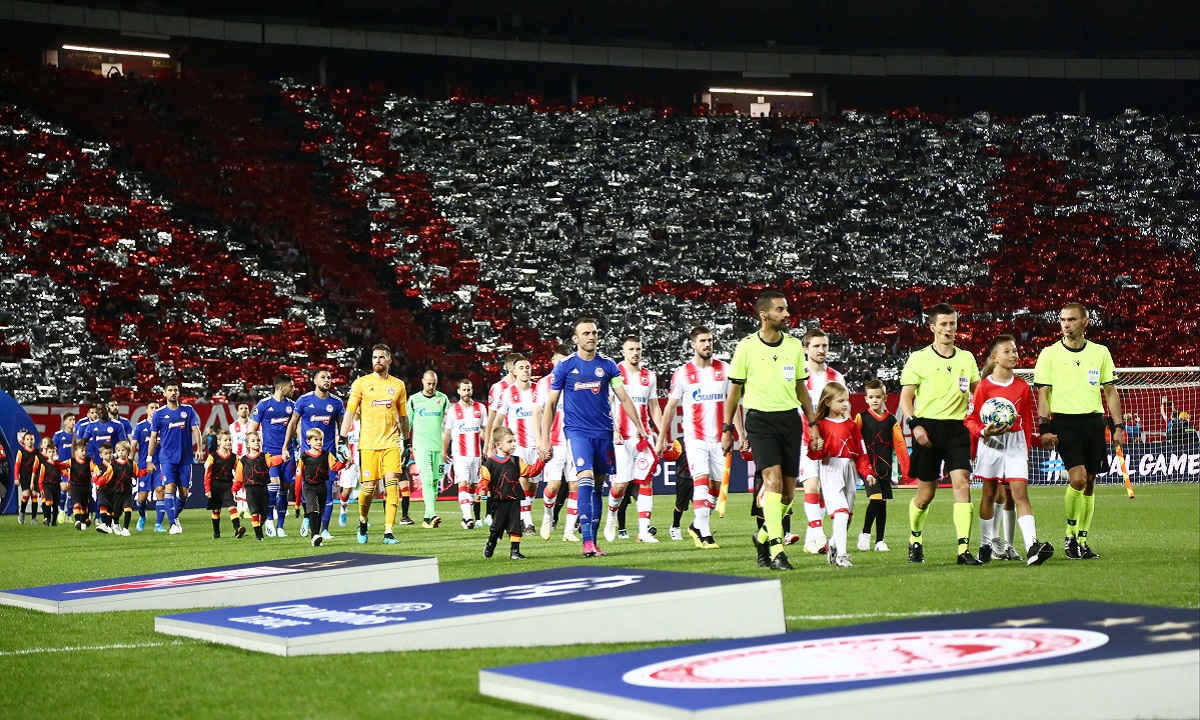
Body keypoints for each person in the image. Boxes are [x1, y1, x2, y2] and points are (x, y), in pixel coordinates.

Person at [723, 291, 822, 571]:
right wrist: (728, 429)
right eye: (780, 309)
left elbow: (801, 389)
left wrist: (813, 424)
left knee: (788, 495)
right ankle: (778, 551)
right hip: (760, 421)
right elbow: (734, 392)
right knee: (773, 482)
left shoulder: (793, 346)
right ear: (764, 314)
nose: (787, 314)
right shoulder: (746, 347)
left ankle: (762, 536)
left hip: (790, 421)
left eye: (786, 308)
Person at [538, 317, 647, 558]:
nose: (591, 337)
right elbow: (551, 404)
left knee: (598, 486)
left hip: (603, 433)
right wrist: (545, 439)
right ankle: (586, 541)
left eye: (594, 333)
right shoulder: (565, 366)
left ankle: (594, 541)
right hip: (577, 432)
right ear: (576, 338)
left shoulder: (608, 365)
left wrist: (639, 426)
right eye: (586, 333)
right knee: (584, 478)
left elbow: (624, 398)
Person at [1035, 302, 1125, 560]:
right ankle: (1070, 534)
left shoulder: (1100, 352)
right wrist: (1044, 427)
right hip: (1065, 423)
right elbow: (1043, 394)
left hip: (1094, 422)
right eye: (1063, 320)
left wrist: (1118, 426)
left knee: (1091, 482)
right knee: (1078, 479)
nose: (1066, 324)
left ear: (1085, 322)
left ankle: (1083, 540)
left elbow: (1110, 392)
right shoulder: (1049, 354)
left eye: (1072, 319)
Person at [899, 303, 982, 565]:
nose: (948, 328)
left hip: (957, 429)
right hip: (928, 429)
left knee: (962, 485)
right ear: (933, 327)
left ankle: (963, 550)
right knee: (926, 496)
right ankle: (915, 538)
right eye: (943, 324)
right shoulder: (919, 358)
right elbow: (905, 398)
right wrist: (915, 425)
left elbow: (979, 393)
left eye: (952, 323)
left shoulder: (966, 358)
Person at [966, 335, 1054, 566]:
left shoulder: (1023, 387)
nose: (1013, 355)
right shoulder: (984, 387)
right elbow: (970, 419)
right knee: (989, 494)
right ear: (995, 357)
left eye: (1015, 351)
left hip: (1015, 444)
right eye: (1007, 351)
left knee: (1020, 494)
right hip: (991, 443)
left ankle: (1032, 547)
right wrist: (983, 432)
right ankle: (985, 544)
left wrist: (1034, 444)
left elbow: (1025, 423)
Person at [656, 326, 733, 549]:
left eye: (710, 340)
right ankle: (706, 535)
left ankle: (697, 525)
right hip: (695, 437)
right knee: (700, 483)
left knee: (715, 490)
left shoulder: (725, 369)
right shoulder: (682, 373)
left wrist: (736, 433)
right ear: (693, 344)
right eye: (702, 341)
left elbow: (733, 404)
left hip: (719, 438)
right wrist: (661, 439)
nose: (707, 344)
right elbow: (670, 408)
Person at [340, 343, 410, 546]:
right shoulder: (361, 384)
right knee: (368, 490)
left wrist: (406, 442)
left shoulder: (398, 385)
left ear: (389, 360)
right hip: (368, 444)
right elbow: (350, 413)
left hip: (391, 443)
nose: (377, 360)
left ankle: (388, 532)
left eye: (381, 357)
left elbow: (403, 416)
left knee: (392, 485)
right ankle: (362, 520)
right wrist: (342, 439)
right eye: (374, 357)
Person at [807, 382, 876, 567]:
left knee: (847, 517)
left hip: (849, 470)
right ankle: (842, 556)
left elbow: (860, 453)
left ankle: (833, 544)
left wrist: (867, 472)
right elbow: (814, 454)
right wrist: (815, 448)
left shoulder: (851, 425)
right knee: (841, 512)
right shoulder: (820, 425)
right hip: (831, 470)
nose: (845, 404)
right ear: (827, 402)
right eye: (841, 401)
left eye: (846, 400)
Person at [606, 336, 665, 544]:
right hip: (621, 438)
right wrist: (614, 430)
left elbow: (654, 407)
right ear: (623, 352)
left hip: (644, 438)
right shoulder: (614, 373)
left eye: (638, 349)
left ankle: (643, 531)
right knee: (621, 485)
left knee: (646, 482)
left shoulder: (649, 376)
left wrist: (662, 435)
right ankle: (611, 515)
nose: (635, 353)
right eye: (631, 349)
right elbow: (607, 405)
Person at [799, 328, 845, 554]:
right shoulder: (798, 376)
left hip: (830, 444)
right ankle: (819, 536)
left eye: (824, 345)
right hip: (804, 441)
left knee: (826, 493)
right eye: (816, 346)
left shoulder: (836, 378)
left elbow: (844, 409)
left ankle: (811, 541)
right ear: (805, 349)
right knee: (812, 486)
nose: (821, 350)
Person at [285, 368, 346, 539]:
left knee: (328, 491)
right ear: (315, 380)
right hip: (308, 455)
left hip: (328, 455)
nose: (327, 380)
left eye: (329, 377)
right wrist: (285, 446)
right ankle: (308, 516)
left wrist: (344, 448)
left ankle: (324, 529)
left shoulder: (336, 402)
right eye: (323, 377)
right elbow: (292, 423)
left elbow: (342, 427)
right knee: (308, 490)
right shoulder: (303, 400)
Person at [856, 379, 910, 552]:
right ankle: (865, 533)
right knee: (876, 499)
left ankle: (880, 541)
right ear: (866, 399)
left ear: (885, 398)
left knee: (882, 503)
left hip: (885, 468)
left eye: (878, 397)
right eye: (871, 397)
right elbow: (855, 441)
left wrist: (906, 469)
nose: (875, 400)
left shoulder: (891, 420)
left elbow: (900, 444)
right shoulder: (861, 418)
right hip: (868, 469)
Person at [145, 382, 204, 535]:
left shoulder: (188, 410)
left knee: (184, 493)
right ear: (164, 394)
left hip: (185, 458)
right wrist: (149, 459)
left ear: (179, 393)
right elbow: (153, 437)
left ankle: (174, 517)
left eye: (175, 390)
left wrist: (199, 448)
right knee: (169, 488)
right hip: (166, 458)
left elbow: (196, 430)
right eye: (170, 390)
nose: (172, 392)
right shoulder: (159, 414)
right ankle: (172, 524)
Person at [535, 345, 580, 542]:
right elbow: (536, 413)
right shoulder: (544, 383)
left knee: (575, 486)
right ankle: (547, 516)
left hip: (574, 441)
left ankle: (568, 531)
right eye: (559, 360)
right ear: (552, 361)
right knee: (553, 486)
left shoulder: (576, 381)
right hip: (554, 442)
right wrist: (541, 441)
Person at [495, 355, 543, 534]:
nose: (525, 370)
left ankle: (523, 514)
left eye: (527, 367)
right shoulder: (507, 393)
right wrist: (495, 443)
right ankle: (527, 522)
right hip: (518, 446)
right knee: (523, 480)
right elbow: (498, 419)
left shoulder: (539, 390)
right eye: (521, 368)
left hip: (537, 445)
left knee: (533, 485)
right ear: (514, 371)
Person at [480, 426, 544, 560]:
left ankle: (515, 551)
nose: (513, 444)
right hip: (498, 501)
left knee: (515, 526)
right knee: (497, 528)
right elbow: (484, 481)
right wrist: (481, 490)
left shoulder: (516, 461)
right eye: (509, 442)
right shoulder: (489, 464)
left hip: (514, 500)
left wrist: (541, 461)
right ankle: (491, 542)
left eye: (514, 441)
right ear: (498, 445)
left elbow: (530, 471)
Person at [247, 375, 297, 537]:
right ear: (281, 388)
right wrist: (253, 450)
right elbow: (252, 429)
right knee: (273, 486)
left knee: (284, 489)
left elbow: (296, 428)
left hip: (288, 453)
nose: (293, 389)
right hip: (270, 454)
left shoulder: (292, 406)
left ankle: (280, 526)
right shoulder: (264, 404)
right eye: (291, 386)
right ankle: (269, 519)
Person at [407, 369, 449, 529]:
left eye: (434, 384)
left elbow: (449, 422)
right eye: (429, 383)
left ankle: (426, 518)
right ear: (423, 382)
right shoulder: (414, 400)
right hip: (421, 447)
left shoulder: (442, 399)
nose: (431, 387)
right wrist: (405, 443)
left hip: (438, 447)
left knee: (435, 481)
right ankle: (432, 515)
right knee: (427, 479)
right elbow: (408, 423)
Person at [444, 378, 485, 529]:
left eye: (469, 389)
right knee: (463, 483)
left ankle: (465, 517)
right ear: (459, 391)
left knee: (473, 486)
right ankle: (468, 517)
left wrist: (488, 446)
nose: (467, 392)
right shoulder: (453, 410)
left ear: (472, 390)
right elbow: (447, 433)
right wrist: (443, 450)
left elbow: (484, 430)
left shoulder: (480, 408)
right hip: (460, 454)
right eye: (464, 390)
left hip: (476, 454)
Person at [295, 428, 346, 548]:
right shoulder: (304, 457)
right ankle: (314, 536)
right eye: (316, 439)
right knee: (314, 510)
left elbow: (334, 467)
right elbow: (299, 475)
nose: (319, 442)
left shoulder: (327, 455)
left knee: (319, 513)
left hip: (322, 487)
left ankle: (316, 536)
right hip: (309, 487)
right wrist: (297, 497)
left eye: (321, 439)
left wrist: (344, 461)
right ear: (308, 441)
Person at [232, 430, 283, 541]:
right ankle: (258, 535)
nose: (256, 442)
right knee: (254, 512)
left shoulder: (264, 457)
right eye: (253, 440)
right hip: (250, 489)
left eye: (258, 440)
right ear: (247, 444)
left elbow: (273, 461)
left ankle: (258, 527)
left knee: (264, 513)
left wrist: (282, 457)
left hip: (263, 488)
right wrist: (234, 490)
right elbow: (238, 477)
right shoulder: (243, 460)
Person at [203, 429, 244, 539]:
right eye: (225, 440)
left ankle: (237, 529)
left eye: (230, 440)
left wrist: (240, 485)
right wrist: (207, 489)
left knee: (232, 506)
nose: (228, 442)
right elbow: (207, 474)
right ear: (219, 442)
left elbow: (239, 472)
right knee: (216, 509)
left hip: (228, 485)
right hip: (215, 485)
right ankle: (216, 533)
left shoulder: (234, 457)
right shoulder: (212, 456)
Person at [131, 401, 160, 532]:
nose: (154, 410)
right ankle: (142, 516)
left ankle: (158, 524)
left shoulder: (163, 426)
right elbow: (133, 446)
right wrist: (130, 462)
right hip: (143, 465)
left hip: (160, 464)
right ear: (146, 410)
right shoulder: (139, 427)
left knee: (160, 491)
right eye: (152, 408)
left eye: (156, 408)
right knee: (142, 497)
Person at [484, 353, 522, 451]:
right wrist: (488, 445)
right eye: (519, 366)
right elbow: (491, 418)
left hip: (527, 440)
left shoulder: (528, 387)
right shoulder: (497, 388)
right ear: (510, 368)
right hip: (504, 443)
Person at [12, 431, 48, 524]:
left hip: (35, 476)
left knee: (34, 495)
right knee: (26, 494)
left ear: (34, 440)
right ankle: (22, 512)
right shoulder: (21, 452)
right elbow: (17, 465)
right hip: (24, 475)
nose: (29, 441)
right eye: (27, 439)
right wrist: (16, 477)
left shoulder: (37, 452)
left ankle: (34, 518)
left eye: (31, 439)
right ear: (24, 441)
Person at [229, 401, 253, 519]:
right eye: (241, 408)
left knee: (250, 483)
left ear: (249, 411)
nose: (244, 410)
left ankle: (248, 508)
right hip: (238, 460)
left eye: (246, 408)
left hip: (251, 459)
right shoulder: (232, 427)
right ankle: (240, 508)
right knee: (238, 483)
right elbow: (230, 443)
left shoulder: (254, 425)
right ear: (238, 412)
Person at [336, 417, 360, 526]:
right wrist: (345, 456)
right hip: (350, 461)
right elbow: (338, 440)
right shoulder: (347, 423)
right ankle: (343, 511)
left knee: (367, 489)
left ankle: (363, 517)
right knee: (346, 491)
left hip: (365, 460)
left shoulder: (367, 421)